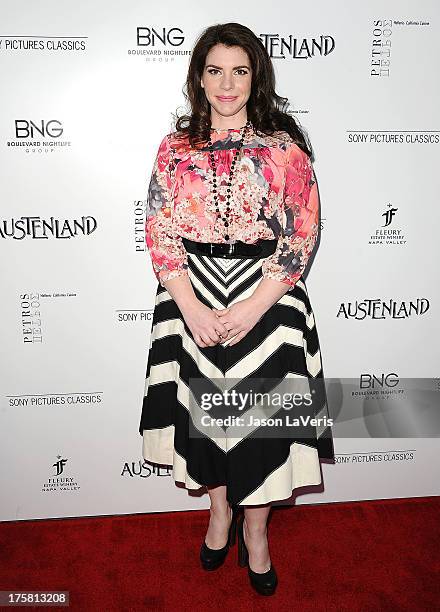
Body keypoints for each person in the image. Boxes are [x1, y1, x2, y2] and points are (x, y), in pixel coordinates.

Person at [139, 22, 334, 596]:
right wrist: (190, 305)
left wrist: (254, 305)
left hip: (269, 293)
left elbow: (301, 236)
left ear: (257, 78)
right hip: (190, 291)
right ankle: (219, 512)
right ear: (199, 79)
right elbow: (159, 228)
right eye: (215, 70)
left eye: (240, 71)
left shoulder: (284, 150)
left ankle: (257, 531)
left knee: (263, 426)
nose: (228, 84)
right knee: (204, 424)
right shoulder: (175, 148)